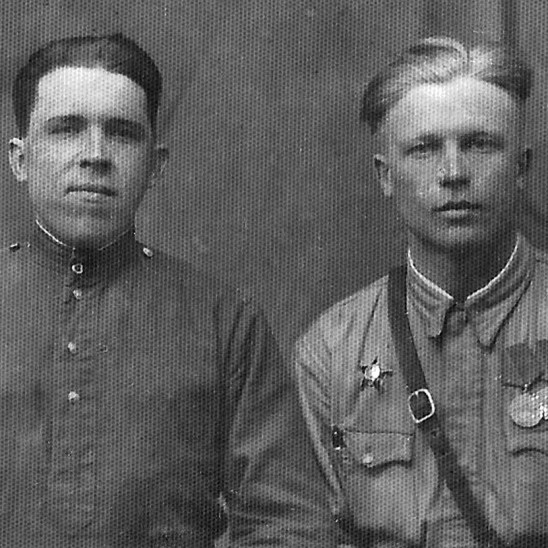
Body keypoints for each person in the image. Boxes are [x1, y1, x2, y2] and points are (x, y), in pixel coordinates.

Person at [3, 33, 336, 547]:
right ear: (20, 159)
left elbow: (288, 521)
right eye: (66, 129)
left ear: (154, 165)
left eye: (122, 133)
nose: (95, 155)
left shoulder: (222, 319)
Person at [294, 36, 548, 547]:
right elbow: (303, 532)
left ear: (521, 168)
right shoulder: (332, 351)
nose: (453, 173)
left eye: (480, 144)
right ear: (385, 176)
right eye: (424, 149)